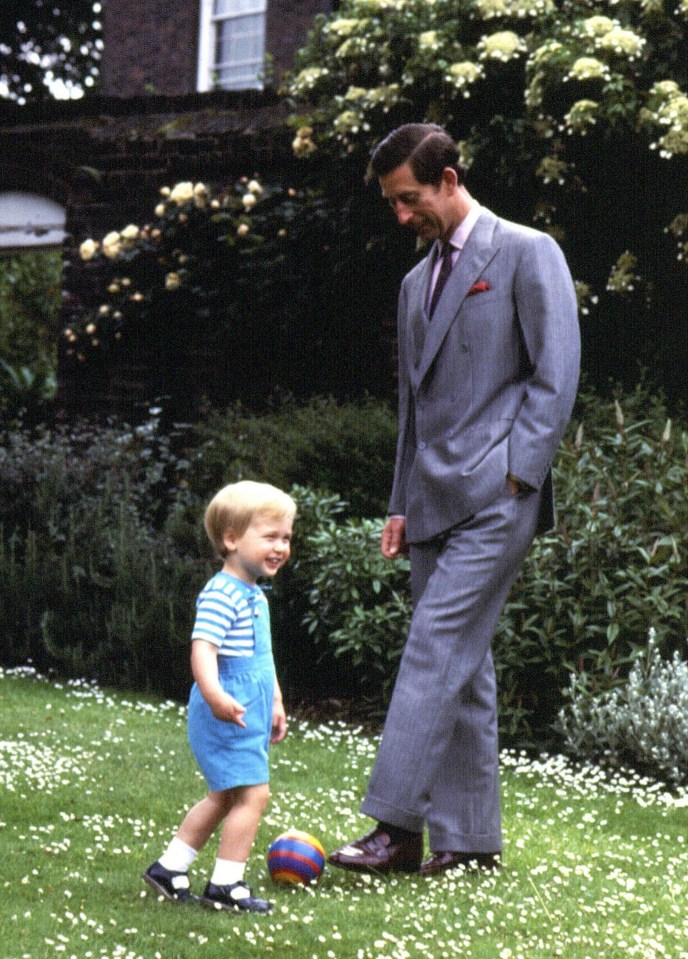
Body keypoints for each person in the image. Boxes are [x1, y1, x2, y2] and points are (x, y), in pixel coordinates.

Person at [328, 123, 580, 877]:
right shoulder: (415, 283)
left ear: (448, 178)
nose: (402, 216)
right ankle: (467, 842)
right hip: (430, 502)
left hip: (498, 496)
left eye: (410, 199)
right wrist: (401, 503)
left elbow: (555, 372)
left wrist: (519, 474)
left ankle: (396, 827)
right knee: (463, 667)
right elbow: (414, 408)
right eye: (393, 204)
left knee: (434, 647)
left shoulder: (528, 252)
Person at [143, 480, 295, 913]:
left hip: (248, 708)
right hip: (225, 710)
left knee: (225, 795)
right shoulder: (222, 594)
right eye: (269, 536)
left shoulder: (254, 596)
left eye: (285, 537)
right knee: (254, 795)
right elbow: (203, 650)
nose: (281, 546)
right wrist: (215, 697)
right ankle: (226, 883)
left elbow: (262, 660)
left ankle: (170, 868)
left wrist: (277, 703)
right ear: (231, 539)